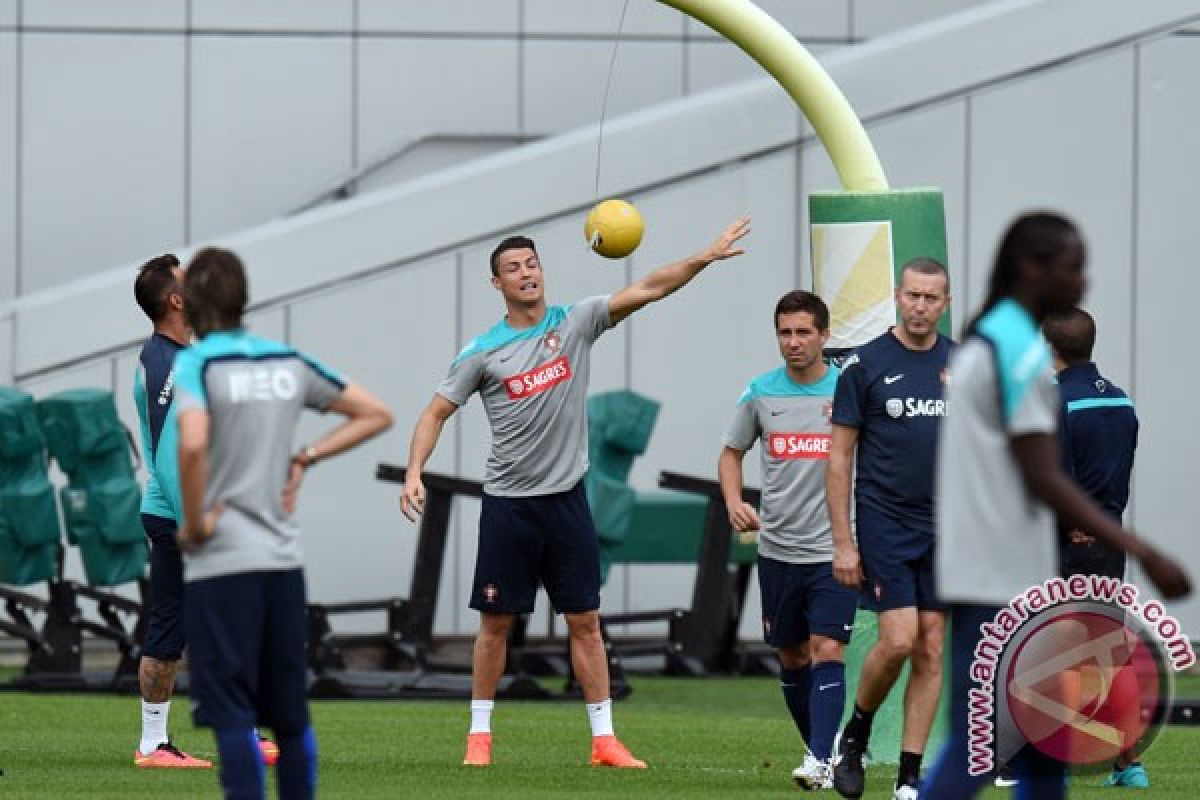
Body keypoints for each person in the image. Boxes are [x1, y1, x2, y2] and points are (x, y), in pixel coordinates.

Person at [401, 217, 751, 769]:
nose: (526, 274)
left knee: (585, 621)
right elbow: (435, 411)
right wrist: (415, 469)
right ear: (498, 284)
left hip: (566, 500)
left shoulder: (576, 321)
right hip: (509, 505)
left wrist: (702, 257)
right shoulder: (482, 352)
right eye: (513, 269)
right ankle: (479, 738)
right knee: (496, 624)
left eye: (532, 264)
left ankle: (605, 742)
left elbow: (650, 288)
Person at [922, 211, 1189, 799]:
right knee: (986, 743)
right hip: (995, 580)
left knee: (1047, 748)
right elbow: (1043, 474)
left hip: (1005, 574)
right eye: (1074, 267)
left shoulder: (993, 337)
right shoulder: (1016, 348)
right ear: (1032, 268)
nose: (1083, 280)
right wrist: (1138, 547)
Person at [174, 247, 393, 800]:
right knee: (290, 717)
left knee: (231, 713)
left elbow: (195, 442)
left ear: (194, 303)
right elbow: (375, 413)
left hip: (221, 564)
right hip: (281, 564)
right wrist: (307, 456)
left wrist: (197, 524)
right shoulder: (287, 360)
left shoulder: (197, 363)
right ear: (244, 297)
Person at [718, 290, 857, 790]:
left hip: (834, 552)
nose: (793, 342)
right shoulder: (760, 391)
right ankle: (825, 750)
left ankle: (820, 758)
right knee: (792, 656)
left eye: (803, 332)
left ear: (824, 335)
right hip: (777, 550)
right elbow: (731, 453)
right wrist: (734, 501)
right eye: (785, 332)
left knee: (828, 649)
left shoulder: (849, 390)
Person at [826, 258, 953, 800]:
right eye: (913, 296)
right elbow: (839, 459)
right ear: (897, 297)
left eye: (931, 298)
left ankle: (908, 776)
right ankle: (855, 735)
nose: (920, 307)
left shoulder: (964, 364)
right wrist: (843, 541)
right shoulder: (866, 364)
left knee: (931, 647)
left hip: (947, 529)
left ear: (945, 304)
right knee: (898, 640)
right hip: (885, 523)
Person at [1043, 306, 1145, 788]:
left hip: (1065, 540)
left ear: (1051, 350)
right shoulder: (1121, 400)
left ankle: (1046, 754)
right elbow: (1123, 463)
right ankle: (1130, 764)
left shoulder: (1053, 400)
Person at [131, 254, 211, 768]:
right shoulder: (162, 363)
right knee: (169, 630)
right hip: (181, 517)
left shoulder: (190, 353)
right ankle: (153, 745)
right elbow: (164, 453)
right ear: (176, 300)